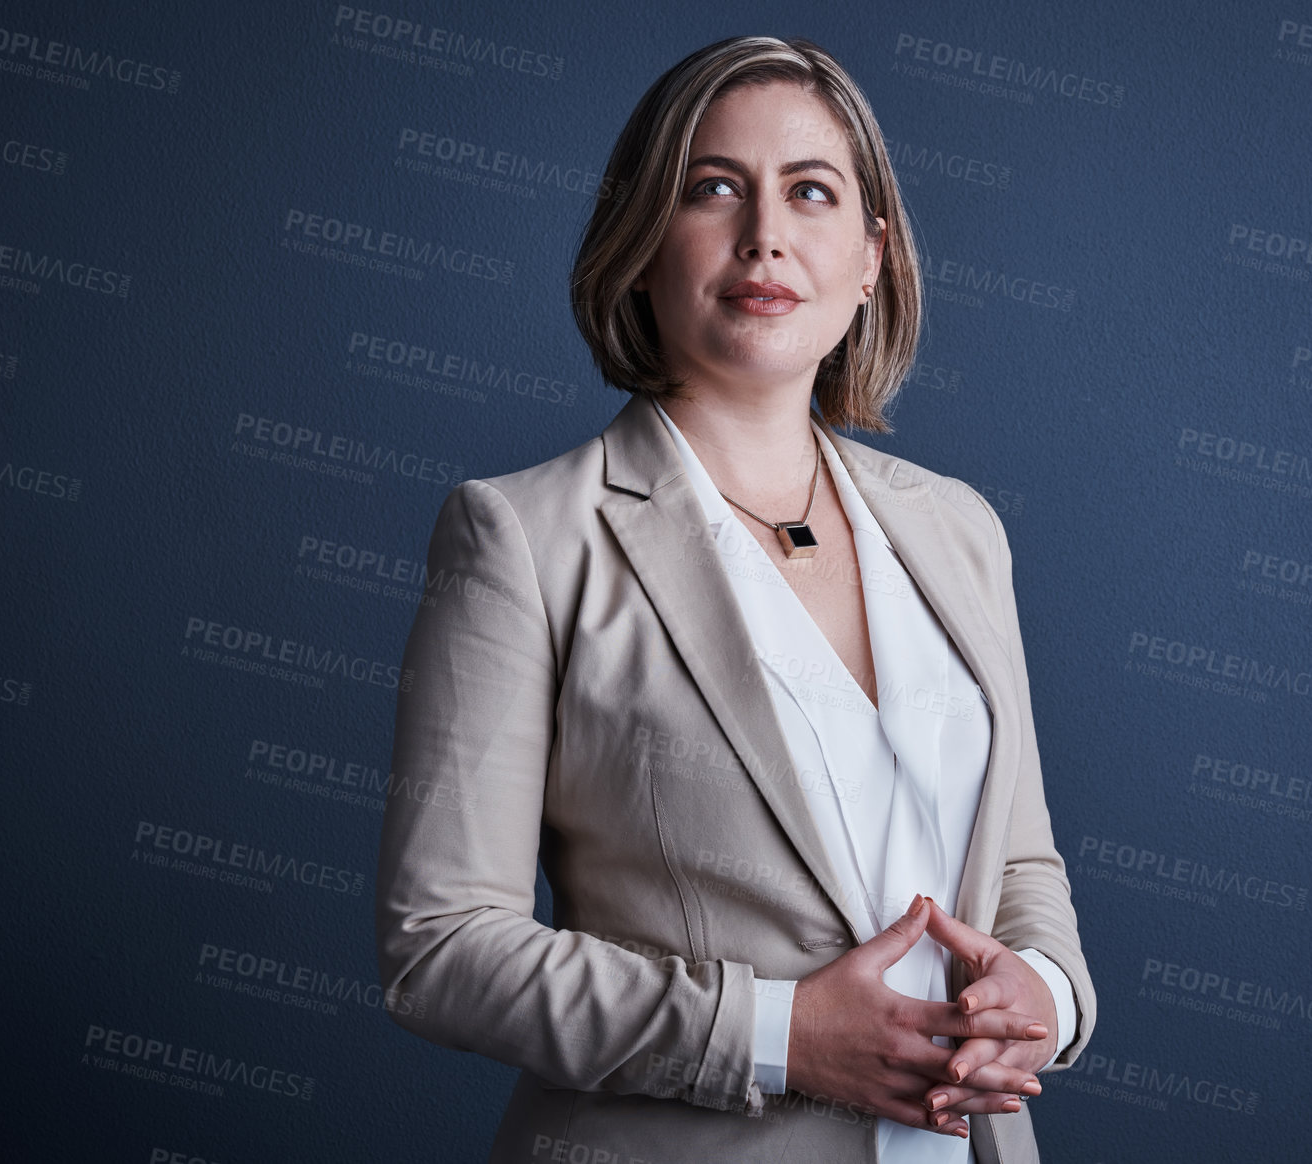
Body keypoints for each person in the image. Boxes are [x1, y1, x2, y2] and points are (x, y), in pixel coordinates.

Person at [374, 34, 1096, 1163]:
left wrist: (1045, 990)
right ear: (641, 241)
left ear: (872, 256)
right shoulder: (522, 536)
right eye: (714, 188)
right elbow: (443, 949)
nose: (765, 233)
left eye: (812, 191)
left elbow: (1020, 865)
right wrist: (778, 1034)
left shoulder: (959, 530)